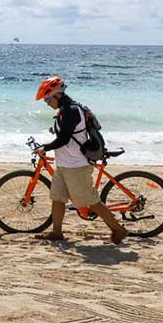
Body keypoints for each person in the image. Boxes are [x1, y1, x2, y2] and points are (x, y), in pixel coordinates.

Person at [32, 77, 129, 245]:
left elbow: (63, 139)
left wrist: (44, 148)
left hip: (76, 165)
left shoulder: (71, 110)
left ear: (57, 95)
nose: (47, 103)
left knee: (90, 201)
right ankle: (56, 232)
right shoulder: (64, 110)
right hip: (64, 164)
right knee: (57, 197)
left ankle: (118, 229)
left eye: (47, 99)